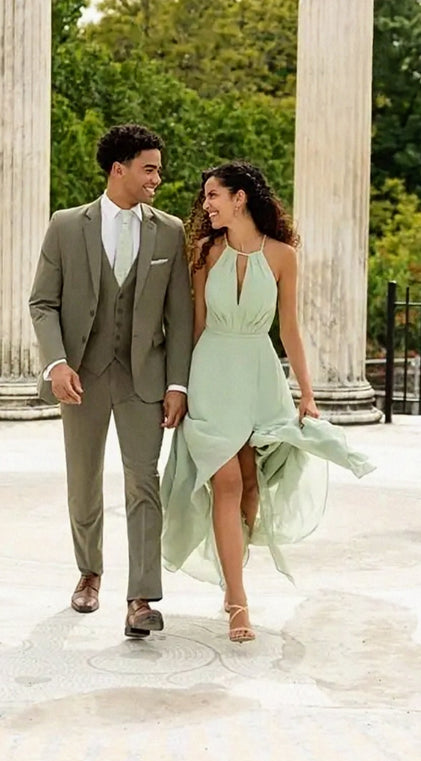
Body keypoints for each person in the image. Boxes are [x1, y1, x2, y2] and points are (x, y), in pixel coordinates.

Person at [161, 161, 375, 644]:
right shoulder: (204, 253)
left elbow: (291, 330)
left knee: (252, 483)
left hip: (260, 376)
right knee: (227, 480)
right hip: (211, 372)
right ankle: (238, 601)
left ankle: (231, 559)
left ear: (240, 198)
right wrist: (180, 387)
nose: (206, 206)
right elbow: (192, 327)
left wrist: (307, 392)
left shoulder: (283, 256)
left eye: (214, 195)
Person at [29, 124, 193, 638]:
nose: (157, 178)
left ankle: (141, 597)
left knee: (144, 482)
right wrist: (56, 363)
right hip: (81, 375)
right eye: (150, 168)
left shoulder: (169, 231)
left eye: (159, 169)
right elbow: (43, 303)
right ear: (118, 169)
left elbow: (181, 316)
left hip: (144, 377)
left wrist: (178, 385)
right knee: (84, 479)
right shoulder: (65, 225)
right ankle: (89, 573)